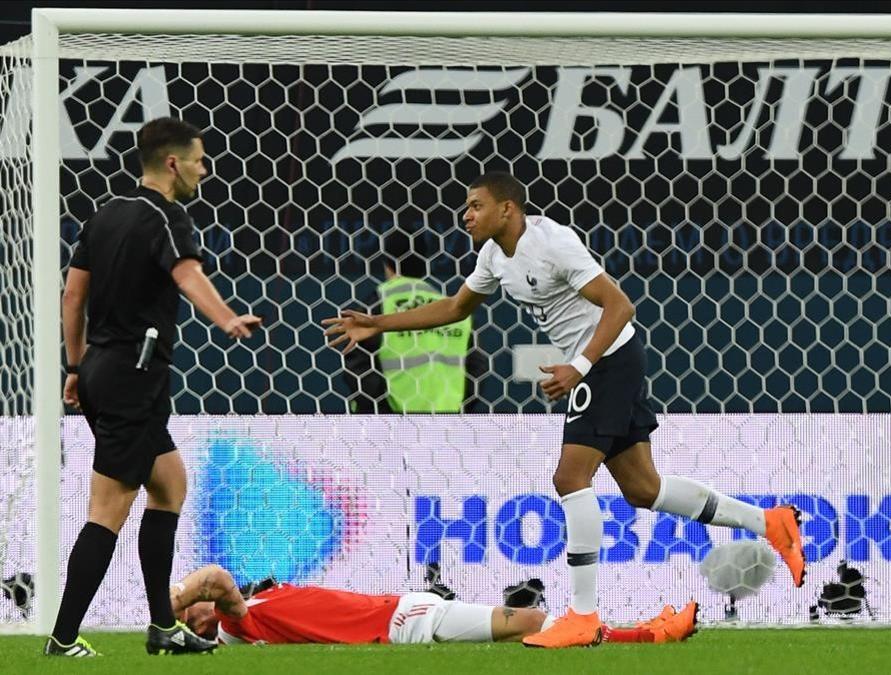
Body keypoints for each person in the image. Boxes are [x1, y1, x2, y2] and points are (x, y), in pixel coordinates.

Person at [324, 171, 806, 649]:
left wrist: (579, 365)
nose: (465, 215)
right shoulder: (493, 254)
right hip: (605, 362)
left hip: (608, 360)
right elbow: (456, 307)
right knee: (643, 488)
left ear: (507, 208)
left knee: (570, 479)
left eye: (475, 205)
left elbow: (620, 305)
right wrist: (379, 323)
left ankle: (583, 616)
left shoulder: (553, 241)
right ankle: (768, 522)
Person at [46, 117, 262, 658]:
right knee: (108, 508)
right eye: (199, 160)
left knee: (169, 485)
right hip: (134, 377)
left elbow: (73, 297)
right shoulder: (166, 217)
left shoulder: (103, 216)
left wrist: (74, 368)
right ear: (173, 163)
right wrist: (226, 318)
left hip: (100, 369)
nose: (203, 170)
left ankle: (163, 626)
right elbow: (188, 276)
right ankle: (63, 637)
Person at [170, 564, 698, 646]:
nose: (198, 613)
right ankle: (648, 636)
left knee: (530, 622)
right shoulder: (237, 624)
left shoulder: (262, 597)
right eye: (192, 619)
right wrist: (168, 605)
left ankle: (640, 630)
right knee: (533, 622)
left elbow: (218, 581)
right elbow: (214, 578)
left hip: (403, 603)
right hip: (407, 624)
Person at [342, 234, 485, 413]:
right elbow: (477, 367)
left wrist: (383, 415)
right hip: (447, 424)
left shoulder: (375, 306)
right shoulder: (453, 309)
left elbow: (358, 369)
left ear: (387, 263)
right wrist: (459, 409)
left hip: (390, 427)